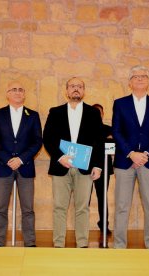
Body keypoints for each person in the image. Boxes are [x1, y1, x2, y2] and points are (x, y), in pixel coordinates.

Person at [43, 77, 103, 248]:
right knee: (59, 207)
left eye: (79, 86)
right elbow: (48, 138)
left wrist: (98, 165)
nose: (76, 89)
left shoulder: (93, 113)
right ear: (66, 90)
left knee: (82, 207)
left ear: (84, 91)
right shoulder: (55, 112)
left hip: (85, 167)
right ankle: (58, 244)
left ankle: (83, 244)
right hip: (61, 165)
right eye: (72, 86)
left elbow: (99, 141)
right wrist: (59, 156)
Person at [112, 65, 149, 249]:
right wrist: (132, 153)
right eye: (136, 77)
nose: (140, 79)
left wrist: (145, 155)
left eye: (144, 76)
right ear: (130, 82)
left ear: (148, 81)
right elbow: (117, 131)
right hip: (124, 161)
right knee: (121, 206)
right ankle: (119, 245)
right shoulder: (120, 103)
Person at [0, 81, 42, 247]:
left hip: (25, 166)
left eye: (21, 89)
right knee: (0, 209)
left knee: (28, 209)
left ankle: (30, 243)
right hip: (3, 167)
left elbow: (37, 141)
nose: (18, 92)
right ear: (7, 94)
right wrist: (7, 159)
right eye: (14, 89)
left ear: (24, 94)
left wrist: (21, 159)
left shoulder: (33, 115)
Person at [91, 103, 113, 236]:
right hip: (86, 166)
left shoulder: (109, 129)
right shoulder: (85, 129)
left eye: (99, 112)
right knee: (84, 198)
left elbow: (113, 146)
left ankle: (104, 224)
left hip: (104, 167)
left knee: (102, 197)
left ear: (103, 114)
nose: (97, 115)